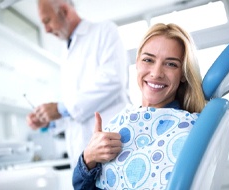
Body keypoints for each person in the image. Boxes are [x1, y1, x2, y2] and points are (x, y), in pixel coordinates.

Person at [72, 23, 207, 190]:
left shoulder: (189, 129)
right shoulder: (121, 122)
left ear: (183, 74)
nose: (156, 73)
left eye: (171, 64)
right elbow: (81, 186)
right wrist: (89, 157)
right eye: (148, 60)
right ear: (137, 63)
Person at [26, 0, 130, 169]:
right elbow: (75, 108)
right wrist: (49, 119)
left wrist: (59, 108)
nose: (46, 30)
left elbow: (113, 80)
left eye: (47, 21)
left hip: (110, 147)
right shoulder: (66, 51)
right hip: (83, 157)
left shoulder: (104, 31)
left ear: (65, 11)